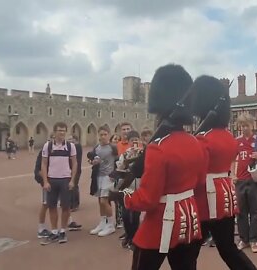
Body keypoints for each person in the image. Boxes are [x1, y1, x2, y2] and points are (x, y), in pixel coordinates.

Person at [111, 64, 205, 270]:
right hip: (189, 221)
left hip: (162, 224)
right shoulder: (196, 143)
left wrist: (124, 196)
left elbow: (147, 199)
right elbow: (199, 183)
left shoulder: (157, 149)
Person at [190, 75, 257, 270]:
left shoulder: (202, 139)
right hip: (225, 197)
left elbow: (196, 174)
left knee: (187, 254)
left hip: (204, 198)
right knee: (228, 249)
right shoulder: (228, 137)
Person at [234, 113, 257, 253]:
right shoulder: (237, 141)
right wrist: (233, 175)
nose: (244, 128)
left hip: (255, 181)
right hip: (240, 180)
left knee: (255, 212)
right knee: (241, 212)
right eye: (242, 126)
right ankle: (244, 239)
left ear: (252, 125)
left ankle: (254, 240)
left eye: (247, 125)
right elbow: (232, 159)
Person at [40, 122, 78, 245]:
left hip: (65, 179)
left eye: (63, 131)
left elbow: (75, 163)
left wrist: (72, 180)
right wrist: (45, 181)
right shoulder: (48, 146)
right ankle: (54, 231)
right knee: (51, 206)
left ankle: (63, 230)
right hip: (52, 179)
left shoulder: (70, 146)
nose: (61, 133)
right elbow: (44, 164)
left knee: (66, 206)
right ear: (55, 132)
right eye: (59, 130)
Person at [114, 130, 143, 249]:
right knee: (126, 214)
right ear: (129, 142)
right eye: (132, 140)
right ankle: (128, 235)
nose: (134, 142)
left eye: (136, 140)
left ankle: (134, 237)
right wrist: (127, 161)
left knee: (136, 214)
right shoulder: (125, 154)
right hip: (127, 187)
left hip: (139, 187)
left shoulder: (143, 153)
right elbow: (119, 168)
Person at [88, 125, 118, 237]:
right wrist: (92, 162)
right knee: (99, 200)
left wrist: (114, 174)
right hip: (98, 176)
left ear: (109, 135)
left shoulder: (113, 148)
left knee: (104, 201)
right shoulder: (96, 148)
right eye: (101, 134)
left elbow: (119, 161)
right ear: (98, 135)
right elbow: (92, 159)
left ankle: (110, 225)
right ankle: (102, 222)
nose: (103, 136)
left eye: (105, 134)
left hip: (108, 177)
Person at [68, 135, 83, 212]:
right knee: (74, 186)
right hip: (75, 169)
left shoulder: (76, 146)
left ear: (75, 139)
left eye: (71, 139)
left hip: (75, 169)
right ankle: (74, 203)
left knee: (73, 186)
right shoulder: (76, 146)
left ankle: (74, 204)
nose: (69, 141)